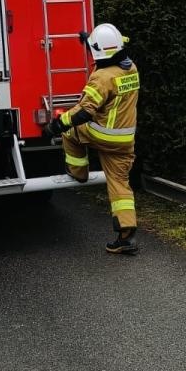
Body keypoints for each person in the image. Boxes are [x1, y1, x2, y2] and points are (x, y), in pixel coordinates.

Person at [49, 23, 140, 255]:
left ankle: (78, 172)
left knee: (70, 132)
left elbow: (84, 112)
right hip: (125, 139)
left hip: (101, 133)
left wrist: (58, 124)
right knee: (120, 183)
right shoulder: (131, 70)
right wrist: (89, 40)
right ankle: (125, 238)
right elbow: (114, 51)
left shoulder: (100, 78)